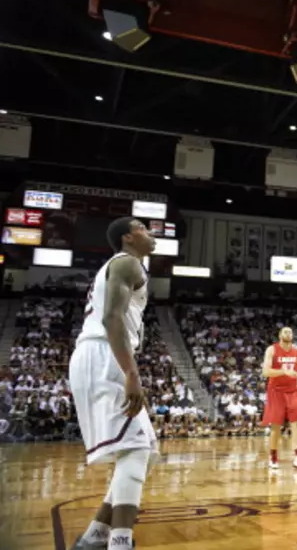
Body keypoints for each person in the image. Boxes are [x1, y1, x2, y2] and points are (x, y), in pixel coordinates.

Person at [69, 217, 157, 550]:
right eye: (143, 228)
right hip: (103, 354)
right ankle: (120, 542)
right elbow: (111, 318)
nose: (150, 233)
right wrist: (132, 373)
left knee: (140, 451)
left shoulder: (123, 266)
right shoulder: (127, 263)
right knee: (136, 449)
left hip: (97, 355)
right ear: (128, 238)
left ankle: (94, 535)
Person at [260, 326, 297, 471]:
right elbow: (265, 372)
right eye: (285, 331)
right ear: (280, 335)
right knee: (276, 425)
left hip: (293, 391)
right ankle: (273, 456)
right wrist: (284, 372)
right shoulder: (272, 349)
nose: (288, 333)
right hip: (276, 391)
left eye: (290, 331)